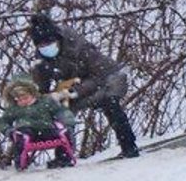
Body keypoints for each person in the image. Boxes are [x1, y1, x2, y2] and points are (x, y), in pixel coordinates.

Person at [28, 13, 138, 159]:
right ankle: (64, 155)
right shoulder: (42, 61)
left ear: (57, 40)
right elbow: (41, 87)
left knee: (110, 102)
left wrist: (73, 92)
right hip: (75, 84)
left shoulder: (79, 48)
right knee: (62, 111)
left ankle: (129, 146)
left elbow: (98, 76)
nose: (46, 48)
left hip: (107, 78)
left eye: (49, 44)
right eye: (41, 46)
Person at [0, 74, 77, 168]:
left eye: (25, 98)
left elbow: (61, 112)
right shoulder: (14, 109)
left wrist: (67, 124)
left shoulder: (45, 102)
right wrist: (8, 131)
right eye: (19, 100)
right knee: (21, 136)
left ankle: (63, 158)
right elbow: (2, 121)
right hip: (28, 130)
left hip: (46, 128)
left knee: (64, 135)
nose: (23, 101)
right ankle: (21, 158)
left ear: (33, 94)